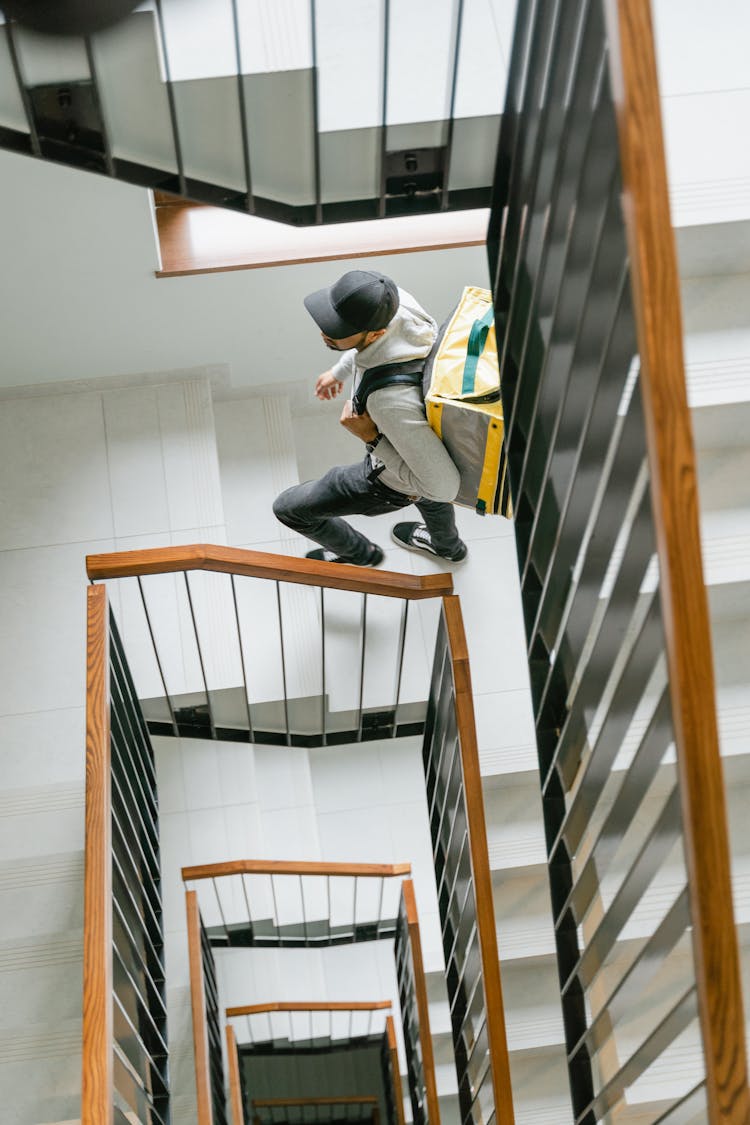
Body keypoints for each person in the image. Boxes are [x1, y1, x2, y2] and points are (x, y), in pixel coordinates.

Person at [272, 269, 468, 567]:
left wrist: (371, 438)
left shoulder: (388, 402)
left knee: (288, 508)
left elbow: (443, 488)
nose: (324, 332)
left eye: (337, 329)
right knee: (426, 486)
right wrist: (338, 372)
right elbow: (372, 349)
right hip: (427, 445)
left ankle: (361, 555)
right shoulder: (399, 304)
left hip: (388, 480)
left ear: (376, 333)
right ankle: (449, 548)